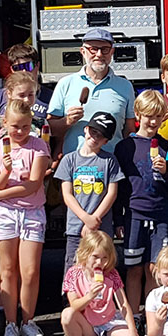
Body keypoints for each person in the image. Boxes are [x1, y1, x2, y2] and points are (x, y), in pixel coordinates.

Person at [0, 99, 51, 336]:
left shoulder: (39, 147)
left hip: (32, 213)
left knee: (30, 271)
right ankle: (11, 323)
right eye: (14, 126)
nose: (20, 132)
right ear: (4, 124)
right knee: (8, 270)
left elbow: (34, 184)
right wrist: (4, 176)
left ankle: (28, 320)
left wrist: (1, 194)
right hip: (5, 216)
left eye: (25, 126)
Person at [113, 91, 168, 321]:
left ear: (163, 118)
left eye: (157, 116)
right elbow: (119, 186)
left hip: (161, 215)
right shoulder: (125, 147)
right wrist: (118, 220)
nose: (152, 121)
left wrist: (165, 171)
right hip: (134, 214)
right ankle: (132, 316)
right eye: (148, 116)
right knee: (133, 268)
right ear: (138, 115)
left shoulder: (167, 147)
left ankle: (151, 315)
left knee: (154, 268)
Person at [48, 29, 136, 156]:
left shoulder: (125, 86)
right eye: (93, 49)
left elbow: (129, 130)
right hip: (75, 165)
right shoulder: (65, 83)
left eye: (105, 49)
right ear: (83, 52)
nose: (99, 54)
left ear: (112, 52)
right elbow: (49, 129)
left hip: (113, 165)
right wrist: (66, 121)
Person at [60, 230, 141, 336]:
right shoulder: (74, 273)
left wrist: (133, 331)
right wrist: (90, 296)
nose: (100, 262)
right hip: (88, 324)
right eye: (95, 257)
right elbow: (74, 305)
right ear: (85, 254)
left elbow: (123, 304)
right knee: (67, 314)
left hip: (109, 322)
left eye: (105, 258)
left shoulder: (111, 274)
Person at [57, 111, 124, 271]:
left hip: (101, 229)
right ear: (85, 129)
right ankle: (70, 297)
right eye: (93, 132)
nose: (94, 138)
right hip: (75, 228)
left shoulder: (109, 161)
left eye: (100, 136)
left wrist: (95, 219)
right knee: (74, 270)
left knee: (101, 270)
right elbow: (67, 194)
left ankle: (100, 296)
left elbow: (112, 193)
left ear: (106, 140)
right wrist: (85, 218)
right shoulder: (69, 160)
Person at [0, 43, 52, 132]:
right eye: (17, 67)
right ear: (12, 69)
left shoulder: (50, 96)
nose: (23, 71)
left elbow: (55, 134)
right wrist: (7, 128)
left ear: (37, 65)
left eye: (28, 66)